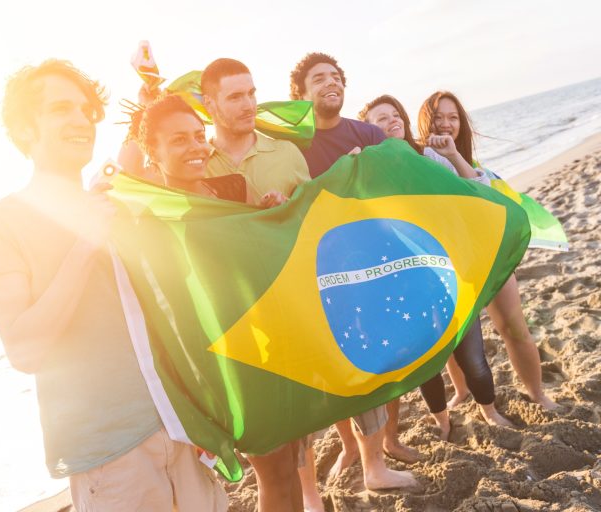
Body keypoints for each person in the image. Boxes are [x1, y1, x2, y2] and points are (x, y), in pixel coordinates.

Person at [0, 59, 227, 512]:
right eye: (60, 109)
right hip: (111, 454)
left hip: (181, 427)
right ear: (25, 128)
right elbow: (25, 350)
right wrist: (84, 246)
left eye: (87, 110)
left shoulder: (112, 200)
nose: (81, 120)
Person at [289, 52, 419, 490]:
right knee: (334, 370)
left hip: (373, 267)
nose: (331, 83)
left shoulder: (369, 133)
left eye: (336, 76)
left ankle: (375, 464)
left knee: (371, 364)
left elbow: (402, 189)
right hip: (320, 273)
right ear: (301, 93)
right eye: (319, 78)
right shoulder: (294, 146)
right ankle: (349, 448)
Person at [201, 57, 323, 512]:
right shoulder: (197, 160)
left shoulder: (286, 153)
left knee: (293, 450)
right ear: (208, 102)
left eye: (252, 93)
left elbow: (312, 227)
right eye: (235, 96)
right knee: (267, 463)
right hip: (233, 327)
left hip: (289, 317)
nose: (249, 103)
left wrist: (284, 211)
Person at [358, 94, 515, 438]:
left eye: (395, 114)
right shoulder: (366, 169)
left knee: (473, 355)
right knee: (426, 364)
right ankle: (442, 422)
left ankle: (489, 412)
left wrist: (453, 154)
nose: (392, 120)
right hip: (404, 281)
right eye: (381, 119)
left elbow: (479, 192)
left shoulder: (427, 156)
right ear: (368, 129)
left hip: (448, 272)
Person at [417, 91, 558, 411]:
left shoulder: (468, 161)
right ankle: (462, 392)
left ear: (462, 124)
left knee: (513, 327)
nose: (446, 123)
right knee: (455, 341)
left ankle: (538, 394)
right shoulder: (419, 159)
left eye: (453, 117)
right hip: (451, 265)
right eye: (438, 117)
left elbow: (485, 197)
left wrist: (455, 156)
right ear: (426, 121)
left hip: (489, 256)